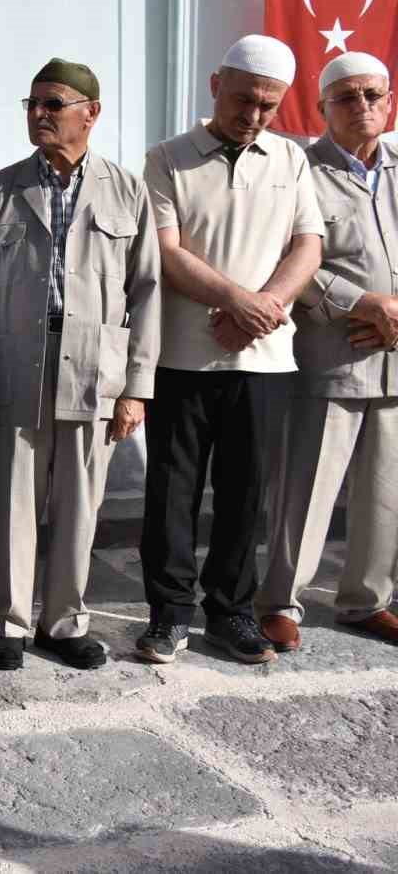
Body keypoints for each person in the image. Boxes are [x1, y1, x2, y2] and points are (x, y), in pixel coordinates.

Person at [0, 58, 160, 671]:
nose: (39, 115)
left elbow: (148, 289)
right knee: (12, 498)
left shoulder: (127, 190)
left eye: (53, 104)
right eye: (33, 104)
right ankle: (10, 621)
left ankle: (66, 622)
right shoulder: (1, 189)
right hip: (16, 361)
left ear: (90, 114)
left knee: (80, 502)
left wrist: (137, 387)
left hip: (94, 369)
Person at [137, 34, 323, 665]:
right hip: (182, 359)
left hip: (266, 361)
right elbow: (165, 251)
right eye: (243, 100)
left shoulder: (291, 161)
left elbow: (308, 248)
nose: (253, 116)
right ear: (216, 84)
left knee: (246, 494)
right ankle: (167, 616)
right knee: (172, 494)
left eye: (268, 107)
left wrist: (262, 307)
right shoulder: (166, 158)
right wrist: (238, 301)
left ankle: (231, 614)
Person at [258, 52, 398, 650]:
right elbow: (284, 256)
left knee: (385, 492)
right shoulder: (300, 170)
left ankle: (366, 600)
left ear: (389, 100)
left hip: (395, 357)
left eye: (373, 94)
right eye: (347, 97)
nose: (362, 105)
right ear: (322, 108)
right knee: (307, 490)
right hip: (331, 353)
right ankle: (280, 600)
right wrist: (358, 302)